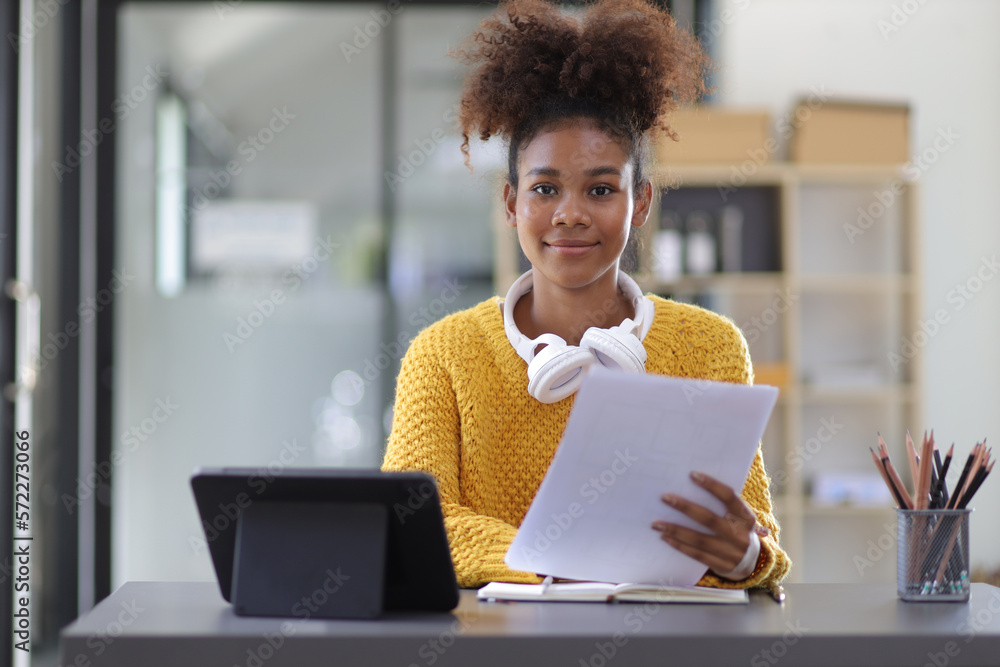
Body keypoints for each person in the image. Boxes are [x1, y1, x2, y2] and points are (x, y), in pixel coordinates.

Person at [382, 0, 791, 590]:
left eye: (600, 189)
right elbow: (412, 525)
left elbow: (753, 543)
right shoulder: (443, 355)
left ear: (641, 203)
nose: (570, 214)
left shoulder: (711, 347)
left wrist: (743, 556)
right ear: (511, 204)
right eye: (545, 187)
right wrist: (562, 559)